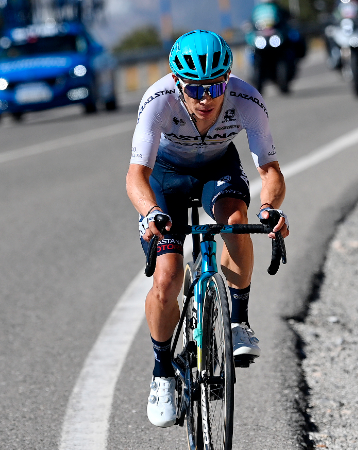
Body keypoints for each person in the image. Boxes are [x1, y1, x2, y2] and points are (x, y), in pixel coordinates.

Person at [126, 30, 290, 428]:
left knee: (235, 221)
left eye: (215, 86)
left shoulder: (247, 99)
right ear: (177, 82)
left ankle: (238, 321)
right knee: (167, 277)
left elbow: (270, 170)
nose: (205, 98)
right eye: (195, 89)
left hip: (218, 168)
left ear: (228, 78)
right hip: (166, 176)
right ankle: (162, 373)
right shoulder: (158, 100)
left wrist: (270, 208)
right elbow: (136, 175)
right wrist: (150, 212)